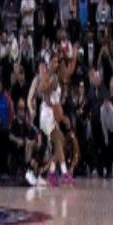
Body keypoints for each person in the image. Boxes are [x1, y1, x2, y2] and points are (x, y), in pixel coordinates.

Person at [39, 53, 74, 186]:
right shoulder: (51, 77)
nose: (56, 64)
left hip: (51, 114)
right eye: (54, 62)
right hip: (47, 113)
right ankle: (64, 173)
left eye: (57, 62)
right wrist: (63, 118)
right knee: (58, 140)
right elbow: (43, 92)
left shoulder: (57, 79)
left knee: (61, 142)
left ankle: (52, 172)